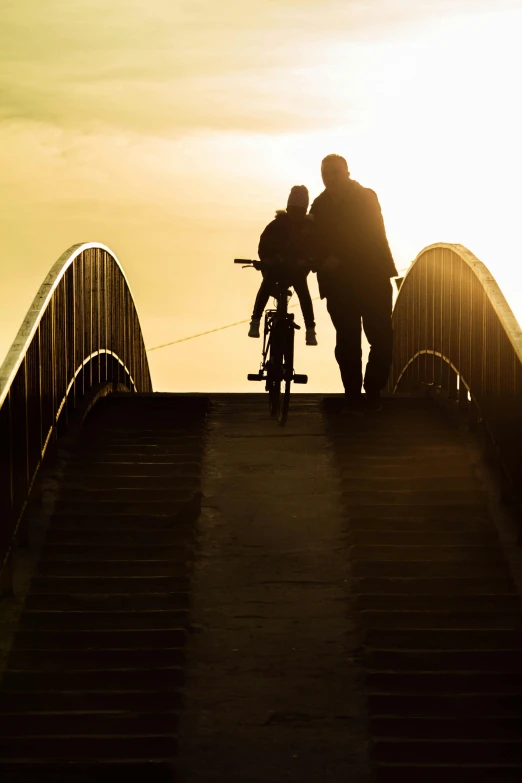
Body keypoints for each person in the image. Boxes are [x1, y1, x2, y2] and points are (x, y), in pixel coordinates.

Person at [310, 154, 398, 412]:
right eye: (326, 173)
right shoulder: (319, 205)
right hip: (339, 285)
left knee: (381, 338)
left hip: (372, 277)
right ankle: (352, 394)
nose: (330, 178)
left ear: (347, 173)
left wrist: (339, 256)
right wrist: (322, 259)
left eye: (335, 172)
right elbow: (311, 240)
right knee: (347, 341)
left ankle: (372, 389)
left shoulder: (366, 197)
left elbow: (369, 233)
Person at [248, 185, 318, 346]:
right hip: (276, 268)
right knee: (267, 284)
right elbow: (264, 245)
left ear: (304, 210)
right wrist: (267, 258)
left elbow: (315, 247)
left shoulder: (309, 228)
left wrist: (309, 260)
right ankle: (255, 320)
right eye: (293, 210)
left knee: (303, 292)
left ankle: (310, 329)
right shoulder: (277, 225)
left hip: (297, 270)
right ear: (288, 208)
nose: (296, 214)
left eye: (299, 211)